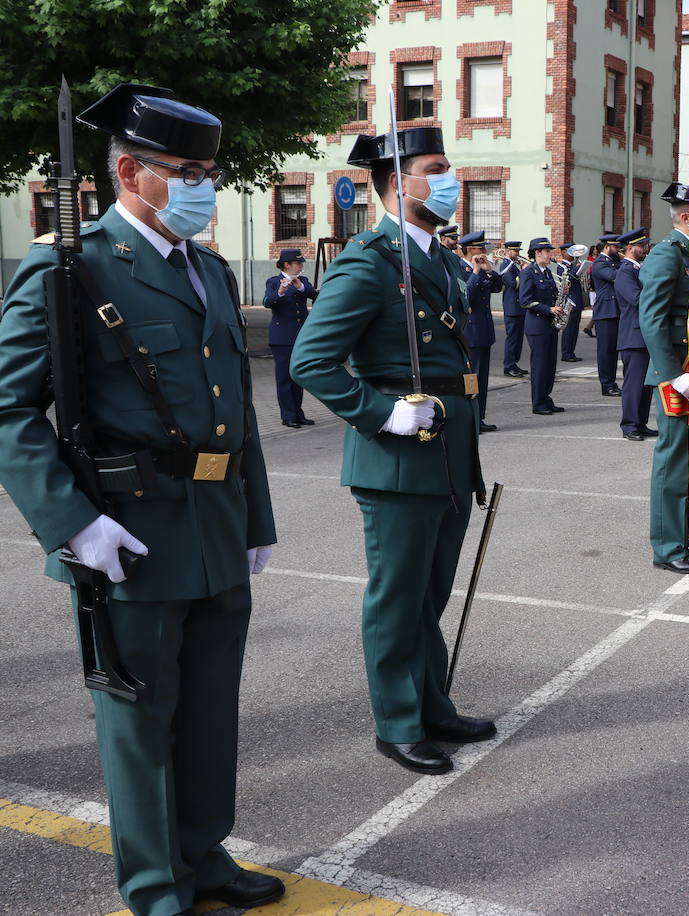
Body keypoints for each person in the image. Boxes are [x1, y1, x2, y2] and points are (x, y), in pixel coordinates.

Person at [0, 83, 280, 915]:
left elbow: (239, 409)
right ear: (128, 170)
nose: (205, 186)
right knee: (139, 724)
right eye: (186, 171)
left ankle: (205, 853)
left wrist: (256, 517)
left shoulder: (212, 270)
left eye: (209, 171)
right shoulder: (70, 271)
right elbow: (10, 408)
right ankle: (158, 887)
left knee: (208, 715)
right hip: (128, 533)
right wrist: (72, 524)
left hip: (217, 528)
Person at [291, 126, 495, 777]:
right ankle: (398, 721)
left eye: (448, 169)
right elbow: (310, 361)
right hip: (399, 458)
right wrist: (382, 414)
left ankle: (432, 704)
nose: (449, 180)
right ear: (397, 182)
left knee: (429, 594)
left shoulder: (436, 256)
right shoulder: (370, 260)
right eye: (436, 169)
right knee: (397, 597)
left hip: (447, 453)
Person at [638, 182, 689, 574]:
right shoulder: (667, 254)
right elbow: (651, 318)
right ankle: (668, 546)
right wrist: (672, 376)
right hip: (678, 373)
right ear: (686, 217)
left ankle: (688, 536)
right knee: (674, 461)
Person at [263, 247, 318, 428]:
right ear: (286, 264)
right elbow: (267, 302)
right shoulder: (273, 281)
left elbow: (313, 294)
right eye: (298, 263)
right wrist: (280, 291)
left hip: (301, 336)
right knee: (284, 377)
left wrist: (299, 286)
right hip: (282, 338)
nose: (301, 266)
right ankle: (288, 415)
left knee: (297, 376)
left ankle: (298, 413)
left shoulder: (302, 281)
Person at [613, 226, 655, 440]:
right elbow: (638, 299)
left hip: (644, 335)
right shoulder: (624, 272)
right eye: (641, 245)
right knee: (633, 384)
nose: (645, 248)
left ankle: (641, 422)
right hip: (633, 336)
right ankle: (629, 425)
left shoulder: (638, 269)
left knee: (646, 384)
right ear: (630, 248)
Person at [518, 238, 566, 413]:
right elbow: (524, 301)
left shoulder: (546, 272)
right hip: (537, 325)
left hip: (550, 325)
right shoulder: (528, 272)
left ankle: (546, 398)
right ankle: (538, 403)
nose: (550, 254)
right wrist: (548, 309)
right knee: (539, 365)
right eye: (547, 251)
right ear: (538, 253)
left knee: (550, 364)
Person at [460, 233, 501, 432]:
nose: (484, 252)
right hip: (471, 332)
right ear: (470, 250)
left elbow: (499, 286)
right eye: (480, 249)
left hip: (484, 331)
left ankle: (480, 417)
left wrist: (489, 270)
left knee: (482, 379)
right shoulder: (460, 268)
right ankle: (470, 419)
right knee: (472, 378)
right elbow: (465, 295)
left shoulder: (482, 268)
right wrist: (476, 272)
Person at [590, 232, 623, 396]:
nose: (618, 250)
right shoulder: (600, 264)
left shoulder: (615, 262)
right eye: (616, 247)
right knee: (606, 351)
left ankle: (612, 382)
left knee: (614, 350)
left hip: (616, 311)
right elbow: (616, 277)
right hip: (605, 312)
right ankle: (607, 384)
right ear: (607, 247)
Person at [497, 241, 528, 378]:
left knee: (518, 338)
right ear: (508, 251)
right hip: (512, 307)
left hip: (518, 307)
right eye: (515, 251)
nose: (518, 254)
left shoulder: (513, 265)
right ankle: (508, 365)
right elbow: (514, 284)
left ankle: (514, 363)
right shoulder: (505, 265)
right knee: (512, 338)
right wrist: (524, 271)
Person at [557, 243, 588, 362]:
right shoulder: (562, 266)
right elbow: (567, 279)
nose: (573, 255)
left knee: (574, 330)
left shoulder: (572, 265)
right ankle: (566, 353)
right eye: (570, 252)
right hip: (569, 301)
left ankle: (571, 352)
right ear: (563, 253)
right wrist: (577, 268)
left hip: (577, 300)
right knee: (569, 330)